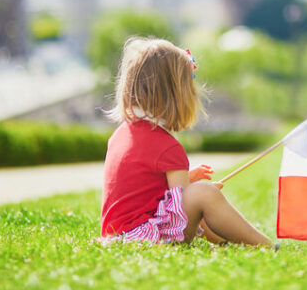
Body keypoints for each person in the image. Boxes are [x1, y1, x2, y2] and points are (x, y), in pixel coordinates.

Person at [101, 37, 272, 246]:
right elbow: (179, 212)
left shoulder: (120, 135)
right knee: (205, 193)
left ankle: (231, 243)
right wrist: (203, 201)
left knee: (199, 192)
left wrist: (189, 183)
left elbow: (144, 194)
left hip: (117, 238)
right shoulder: (167, 147)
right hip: (145, 238)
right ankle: (265, 245)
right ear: (177, 94)